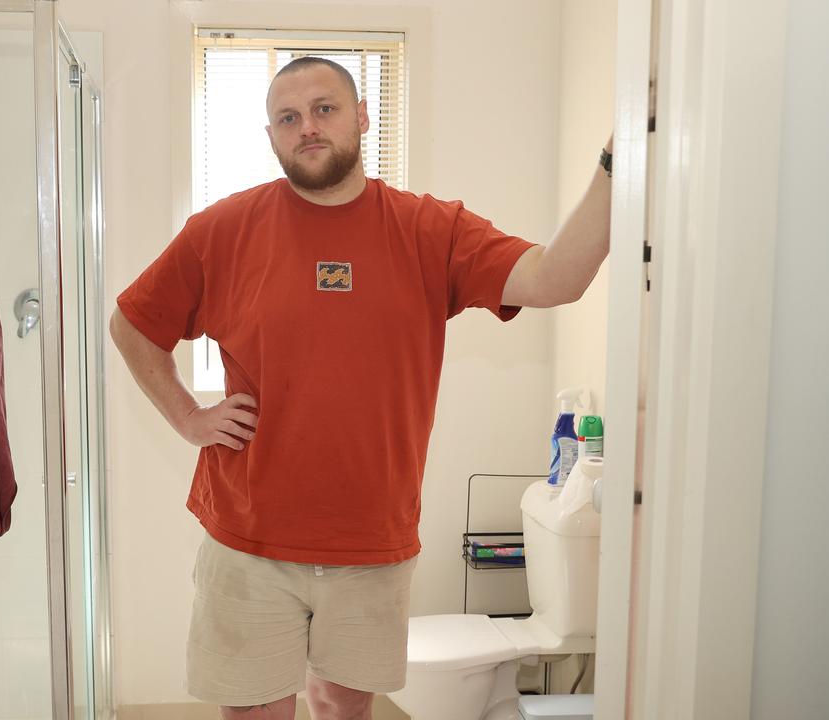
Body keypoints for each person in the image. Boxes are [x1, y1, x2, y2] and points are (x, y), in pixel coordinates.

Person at [109, 56, 611, 720]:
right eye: (288, 118)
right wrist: (186, 417)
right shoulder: (223, 231)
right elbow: (132, 323)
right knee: (252, 713)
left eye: (324, 109)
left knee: (344, 708)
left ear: (363, 117)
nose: (307, 128)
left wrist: (616, 166)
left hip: (371, 539)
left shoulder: (430, 230)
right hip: (249, 539)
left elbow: (555, 279)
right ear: (271, 136)